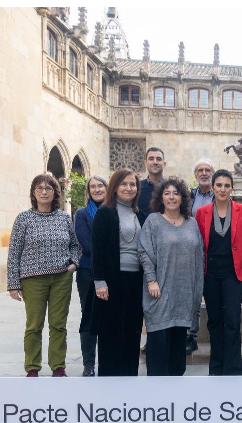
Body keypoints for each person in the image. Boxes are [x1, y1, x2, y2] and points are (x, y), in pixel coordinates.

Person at [7, 174, 79, 377]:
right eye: (40, 188)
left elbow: (75, 245)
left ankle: (58, 366)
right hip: (32, 280)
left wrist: (73, 264)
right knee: (34, 325)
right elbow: (14, 252)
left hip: (61, 278)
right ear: (33, 193)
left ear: (56, 193)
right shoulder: (23, 218)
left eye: (49, 188)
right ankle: (32, 367)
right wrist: (13, 284)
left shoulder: (64, 217)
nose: (44, 192)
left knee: (58, 325)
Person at [139, 177, 204, 376]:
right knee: (158, 351)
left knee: (177, 356)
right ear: (161, 198)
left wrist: (197, 291)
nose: (172, 197)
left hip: (183, 296)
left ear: (183, 198)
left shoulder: (192, 224)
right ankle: (157, 393)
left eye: (176, 193)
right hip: (159, 294)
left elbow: (199, 257)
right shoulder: (153, 221)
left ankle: (175, 392)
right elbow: (144, 252)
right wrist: (152, 280)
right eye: (167, 193)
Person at [195, 170, 242, 376]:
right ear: (212, 188)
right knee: (214, 321)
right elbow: (198, 246)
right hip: (210, 273)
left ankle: (233, 369)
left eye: (226, 185)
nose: (222, 189)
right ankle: (216, 367)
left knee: (232, 320)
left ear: (232, 188)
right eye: (219, 185)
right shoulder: (202, 212)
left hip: (232, 274)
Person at [91, 169, 147, 376]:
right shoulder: (105, 212)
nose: (128, 188)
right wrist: (99, 281)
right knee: (110, 333)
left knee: (132, 332)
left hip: (135, 281)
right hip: (111, 281)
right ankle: (109, 381)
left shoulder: (139, 214)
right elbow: (97, 248)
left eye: (133, 184)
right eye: (124, 184)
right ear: (115, 187)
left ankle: (130, 378)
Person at [74, 175, 108, 377]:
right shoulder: (82, 214)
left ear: (107, 188)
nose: (97, 189)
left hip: (112, 273)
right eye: (93, 187)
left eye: (100, 186)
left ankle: (107, 362)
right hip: (88, 272)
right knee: (89, 317)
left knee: (109, 319)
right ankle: (89, 364)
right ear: (88, 191)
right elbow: (87, 245)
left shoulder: (114, 211)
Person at [187, 158, 215, 356]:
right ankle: (191, 336)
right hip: (192, 252)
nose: (204, 173)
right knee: (193, 296)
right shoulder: (188, 196)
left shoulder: (220, 195)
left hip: (213, 252)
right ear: (195, 175)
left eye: (207, 170)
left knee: (213, 297)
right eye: (200, 170)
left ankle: (216, 337)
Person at [137, 146, 167, 219]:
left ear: (164, 164)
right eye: (151, 159)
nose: (155, 162)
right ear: (145, 163)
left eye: (158, 159)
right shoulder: (137, 187)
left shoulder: (171, 187)